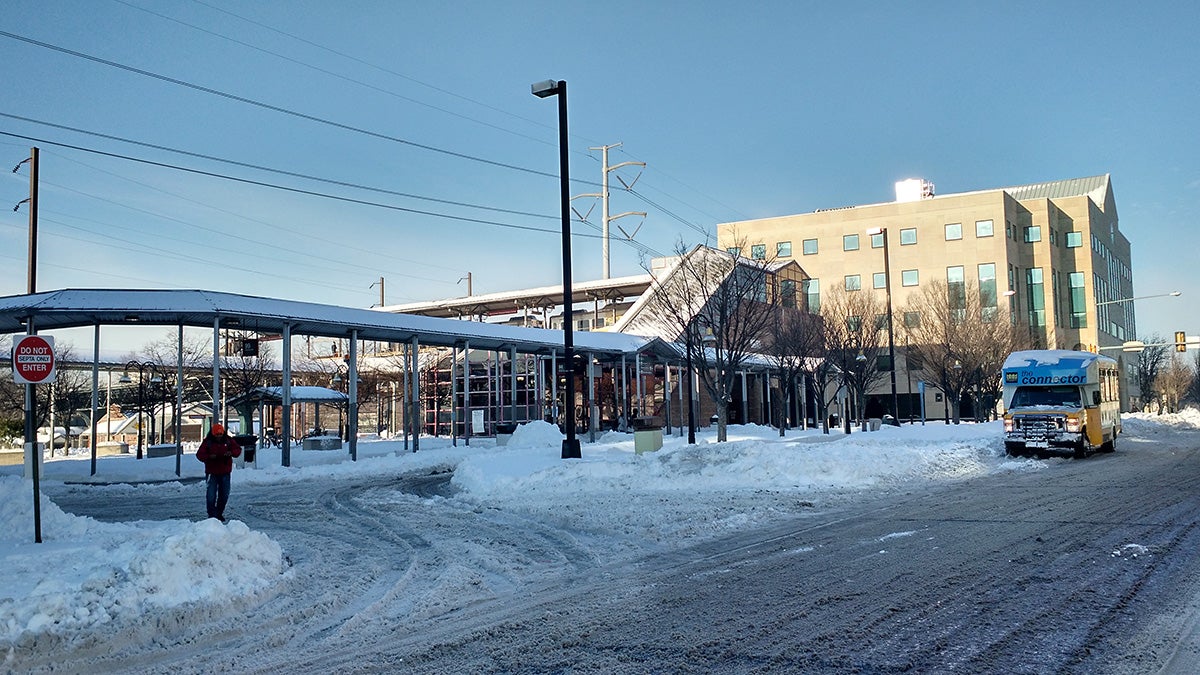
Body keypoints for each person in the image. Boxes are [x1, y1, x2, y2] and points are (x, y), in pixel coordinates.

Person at [196, 423, 241, 522]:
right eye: (217, 434)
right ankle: (212, 515)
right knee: (211, 495)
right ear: (213, 434)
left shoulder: (229, 440)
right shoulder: (207, 442)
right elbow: (200, 454)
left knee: (224, 495)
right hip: (212, 472)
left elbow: (237, 450)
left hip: (225, 472)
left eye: (220, 434)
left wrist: (231, 453)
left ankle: (219, 513)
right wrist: (209, 456)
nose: (219, 436)